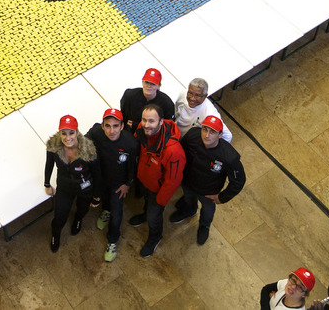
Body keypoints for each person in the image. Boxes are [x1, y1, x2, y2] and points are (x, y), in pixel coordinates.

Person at [169, 115, 244, 245]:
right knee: (188, 198)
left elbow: (238, 181)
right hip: (188, 181)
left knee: (208, 210)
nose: (207, 135)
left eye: (212, 132)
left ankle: (205, 225)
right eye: (204, 129)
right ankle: (190, 209)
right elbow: (180, 152)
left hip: (209, 191)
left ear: (220, 135)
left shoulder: (229, 157)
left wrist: (222, 197)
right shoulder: (192, 136)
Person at [128, 104, 183, 257]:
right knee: (148, 205)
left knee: (154, 216)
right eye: (144, 120)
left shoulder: (173, 151)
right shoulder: (142, 129)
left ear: (161, 122)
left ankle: (155, 237)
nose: (146, 125)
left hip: (158, 191)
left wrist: (160, 201)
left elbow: (172, 181)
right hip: (145, 180)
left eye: (151, 121)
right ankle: (146, 214)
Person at [85, 108, 137, 262]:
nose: (111, 130)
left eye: (115, 126)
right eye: (107, 126)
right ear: (102, 126)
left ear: (122, 126)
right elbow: (83, 140)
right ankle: (105, 211)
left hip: (118, 184)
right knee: (105, 201)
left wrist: (127, 184)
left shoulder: (130, 143)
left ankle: (112, 240)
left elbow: (133, 167)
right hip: (101, 179)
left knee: (117, 213)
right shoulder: (96, 133)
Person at [43, 114, 100, 252]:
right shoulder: (53, 147)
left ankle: (78, 220)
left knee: (82, 210)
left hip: (84, 188)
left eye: (71, 133)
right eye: (64, 133)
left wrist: (96, 196)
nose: (67, 137)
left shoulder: (89, 150)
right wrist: (47, 184)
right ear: (59, 133)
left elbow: (97, 174)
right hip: (64, 188)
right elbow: (49, 164)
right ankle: (55, 236)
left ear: (77, 132)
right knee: (59, 218)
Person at [119, 67, 174, 134]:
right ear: (142, 82)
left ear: (159, 86)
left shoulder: (167, 104)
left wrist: (136, 125)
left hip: (153, 137)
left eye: (153, 84)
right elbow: (123, 116)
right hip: (130, 134)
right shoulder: (129, 96)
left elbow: (167, 127)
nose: (149, 86)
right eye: (146, 82)